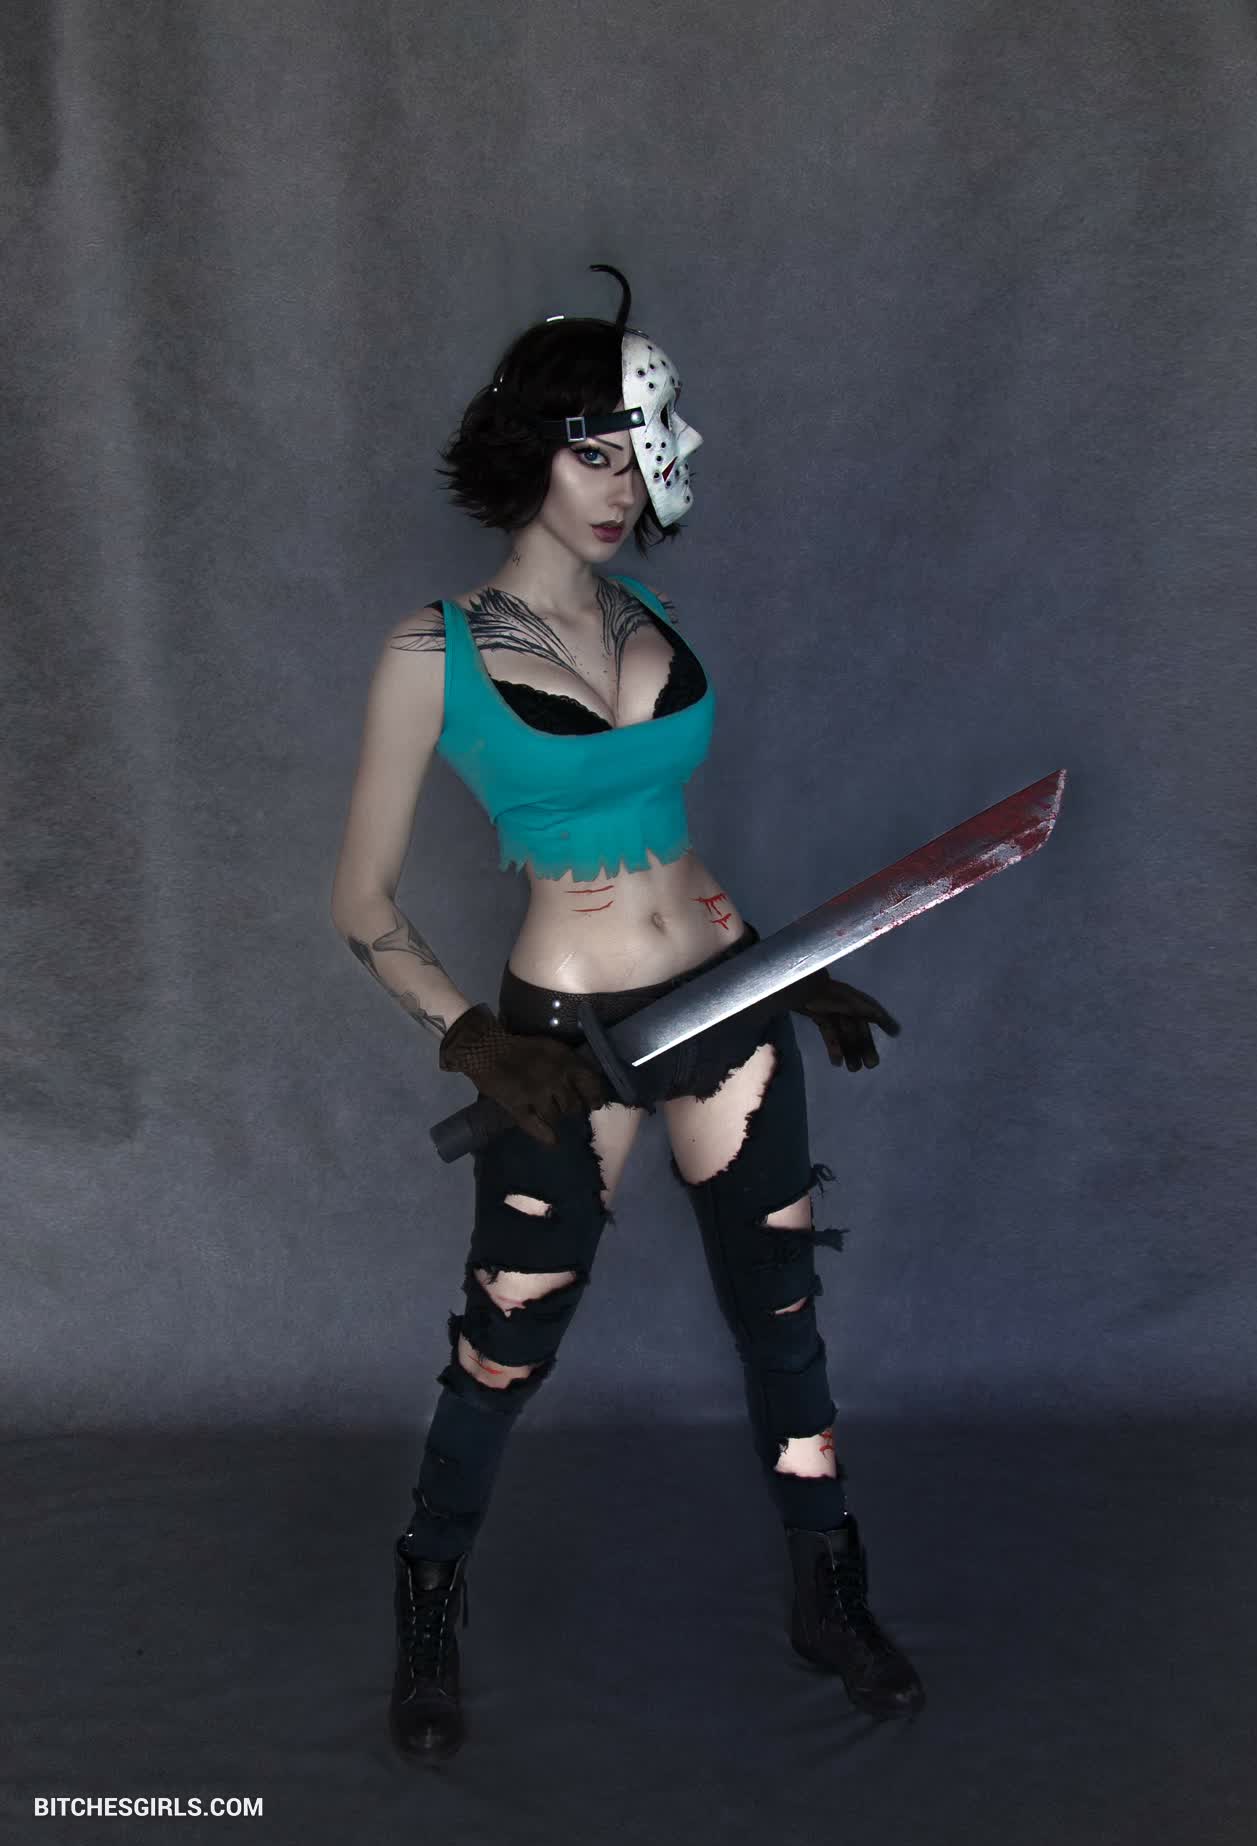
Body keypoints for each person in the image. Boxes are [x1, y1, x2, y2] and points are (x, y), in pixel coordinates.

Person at [329, 263, 924, 1764]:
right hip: (564, 1044)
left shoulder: (647, 609)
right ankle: (429, 1600)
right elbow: (361, 902)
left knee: (782, 1319)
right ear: (529, 449)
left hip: (719, 1005)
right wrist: (475, 1040)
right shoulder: (433, 652)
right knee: (506, 1341)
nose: (618, 488)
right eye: (590, 453)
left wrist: (781, 963)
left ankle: (829, 1593)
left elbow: (675, 848)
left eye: (631, 458)